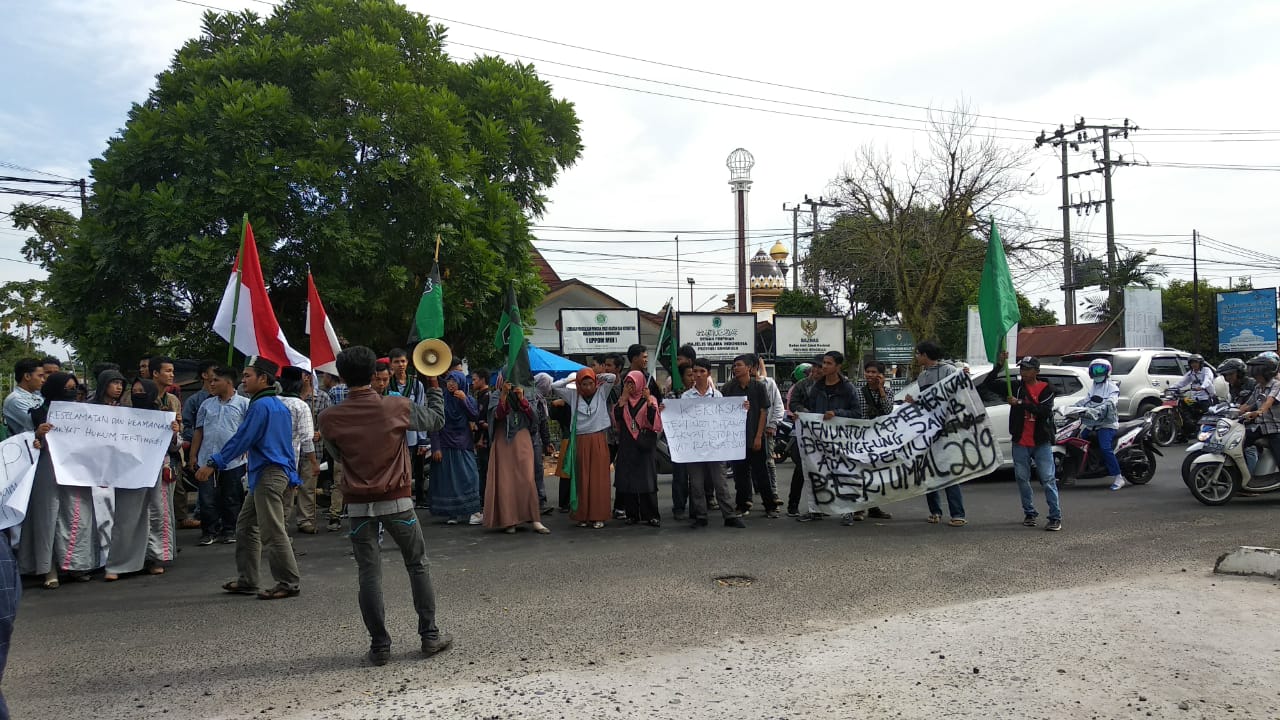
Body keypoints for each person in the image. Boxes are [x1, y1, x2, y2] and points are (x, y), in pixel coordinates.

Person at [317, 345, 452, 665]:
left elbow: (338, 456)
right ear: (376, 374)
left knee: (368, 573)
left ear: (342, 376)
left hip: (359, 507)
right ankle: (429, 636)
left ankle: (380, 646)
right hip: (398, 501)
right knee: (417, 564)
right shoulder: (396, 406)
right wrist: (432, 385)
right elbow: (435, 421)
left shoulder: (328, 417)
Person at [196, 357, 302, 601]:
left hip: (269, 474)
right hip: (270, 473)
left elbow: (242, 438)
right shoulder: (276, 405)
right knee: (245, 526)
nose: (242, 380)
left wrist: (213, 463)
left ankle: (288, 582)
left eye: (247, 376)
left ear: (263, 379)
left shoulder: (261, 406)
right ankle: (248, 580)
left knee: (271, 530)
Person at [18, 373, 101, 588]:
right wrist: (37, 436)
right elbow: (25, 443)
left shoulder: (85, 414)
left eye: (75, 388)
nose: (72, 393)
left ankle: (77, 565)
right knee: (49, 518)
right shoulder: (37, 413)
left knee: (79, 516)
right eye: (67, 388)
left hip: (77, 471)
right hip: (48, 471)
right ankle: (49, 569)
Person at [104, 379, 181, 581]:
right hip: (129, 471)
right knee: (126, 516)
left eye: (142, 391)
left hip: (155, 470)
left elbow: (174, 447)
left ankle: (155, 559)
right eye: (134, 390)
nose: (137, 394)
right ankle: (119, 563)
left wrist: (173, 433)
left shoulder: (162, 416)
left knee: (157, 513)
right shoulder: (122, 417)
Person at [991, 353, 1061, 531]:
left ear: (1036, 371)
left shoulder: (1046, 388)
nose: (1023, 372)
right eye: (1022, 368)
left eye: (1027, 369)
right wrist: (999, 365)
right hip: (1020, 441)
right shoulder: (1014, 386)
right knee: (1022, 478)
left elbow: (1043, 411)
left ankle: (1055, 516)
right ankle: (1030, 513)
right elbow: (988, 385)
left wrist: (1020, 403)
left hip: (1041, 442)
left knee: (1047, 479)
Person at [906, 341, 966, 526]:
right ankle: (935, 511)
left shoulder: (949, 370)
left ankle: (957, 514)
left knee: (948, 471)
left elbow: (957, 395)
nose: (916, 357)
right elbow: (927, 403)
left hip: (947, 429)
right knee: (928, 470)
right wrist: (914, 403)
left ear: (925, 355)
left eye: (918, 354)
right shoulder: (923, 376)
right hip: (928, 430)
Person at [188, 365, 249, 546]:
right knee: (207, 498)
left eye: (216, 380)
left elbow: (247, 432)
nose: (211, 383)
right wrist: (193, 456)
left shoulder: (244, 404)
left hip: (234, 461)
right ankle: (209, 531)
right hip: (206, 458)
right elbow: (199, 431)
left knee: (231, 497)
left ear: (228, 382)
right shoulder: (206, 405)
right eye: (211, 380)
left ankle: (229, 529)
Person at [552, 367, 617, 529]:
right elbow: (555, 387)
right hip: (580, 440)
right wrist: (571, 380)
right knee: (581, 478)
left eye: (590, 383)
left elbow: (612, 377)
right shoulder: (573, 395)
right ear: (579, 385)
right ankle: (582, 515)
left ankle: (598, 516)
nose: (588, 387)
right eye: (584, 384)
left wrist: (596, 375)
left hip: (598, 439)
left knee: (598, 479)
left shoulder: (602, 391)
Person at [682, 359, 743, 528]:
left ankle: (729, 516)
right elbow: (680, 419)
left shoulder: (718, 396)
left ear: (708, 373)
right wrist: (667, 411)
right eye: (695, 371)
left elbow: (725, 418)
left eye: (702, 371)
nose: (698, 375)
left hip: (715, 446)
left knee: (720, 482)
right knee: (696, 483)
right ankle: (700, 516)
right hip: (695, 447)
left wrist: (741, 408)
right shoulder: (686, 397)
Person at [483, 381, 550, 534]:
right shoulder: (495, 394)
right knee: (506, 481)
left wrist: (522, 399)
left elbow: (535, 418)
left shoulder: (528, 392)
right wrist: (504, 395)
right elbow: (496, 415)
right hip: (503, 440)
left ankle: (535, 519)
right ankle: (509, 520)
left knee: (527, 479)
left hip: (523, 439)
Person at [720, 353, 780, 518]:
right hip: (736, 439)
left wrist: (758, 436)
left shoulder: (759, 387)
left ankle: (770, 505)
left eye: (739, 365)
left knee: (761, 473)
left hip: (755, 435)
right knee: (740, 474)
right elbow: (722, 411)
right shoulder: (728, 388)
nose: (735, 368)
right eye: (734, 365)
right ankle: (743, 504)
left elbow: (763, 412)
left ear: (749, 368)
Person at [428, 370, 483, 525]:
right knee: (449, 480)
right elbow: (434, 424)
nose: (451, 384)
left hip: (463, 444)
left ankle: (474, 511)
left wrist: (464, 400)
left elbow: (474, 416)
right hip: (445, 444)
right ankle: (453, 513)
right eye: (448, 381)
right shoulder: (442, 400)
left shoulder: (468, 398)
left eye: (454, 381)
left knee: (469, 477)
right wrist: (436, 447)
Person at [147, 356, 195, 530]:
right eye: (168, 371)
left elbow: (179, 431)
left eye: (172, 371)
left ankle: (167, 541)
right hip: (147, 456)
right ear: (154, 373)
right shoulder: (138, 397)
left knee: (170, 499)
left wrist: (176, 427)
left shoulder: (173, 400)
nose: (171, 375)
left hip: (171, 455)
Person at [612, 370, 663, 526]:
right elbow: (617, 419)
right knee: (629, 480)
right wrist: (623, 399)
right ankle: (632, 513)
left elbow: (654, 421)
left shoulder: (650, 399)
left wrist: (648, 401)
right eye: (627, 383)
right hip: (627, 444)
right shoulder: (624, 401)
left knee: (646, 480)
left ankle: (651, 515)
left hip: (644, 444)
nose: (630, 386)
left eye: (633, 383)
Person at [387, 348, 430, 510]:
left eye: (403, 361)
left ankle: (415, 498)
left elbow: (420, 412)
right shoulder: (386, 383)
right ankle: (396, 497)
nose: (400, 365)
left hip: (412, 434)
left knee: (414, 469)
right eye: (397, 362)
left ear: (408, 363)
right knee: (394, 468)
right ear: (391, 364)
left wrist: (422, 440)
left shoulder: (416, 385)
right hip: (392, 435)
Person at [278, 367, 320, 531]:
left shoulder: (271, 402)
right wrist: (314, 462)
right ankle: (280, 537)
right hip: (289, 461)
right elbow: (307, 439)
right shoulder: (300, 406)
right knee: (286, 500)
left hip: (269, 459)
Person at [1074, 358, 1124, 491]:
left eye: (1100, 370)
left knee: (1105, 448)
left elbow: (1112, 401)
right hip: (1092, 423)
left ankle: (1118, 477)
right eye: (1095, 370)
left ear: (1107, 371)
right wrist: (1072, 407)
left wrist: (1102, 407)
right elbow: (1086, 400)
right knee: (1078, 441)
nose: (1097, 373)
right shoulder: (1094, 387)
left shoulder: (1112, 387)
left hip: (1107, 424)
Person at [293, 370, 331, 533]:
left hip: (313, 450)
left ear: (308, 377)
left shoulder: (322, 398)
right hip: (291, 449)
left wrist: (321, 433)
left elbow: (330, 421)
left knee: (308, 486)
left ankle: (305, 520)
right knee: (287, 487)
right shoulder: (289, 398)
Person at [786, 361, 821, 518]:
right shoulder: (801, 386)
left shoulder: (837, 385)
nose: (816, 372)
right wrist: (807, 414)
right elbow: (793, 404)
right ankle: (793, 505)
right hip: (802, 434)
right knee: (801, 468)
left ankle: (822, 506)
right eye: (814, 369)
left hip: (825, 434)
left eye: (820, 368)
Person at [1237, 354, 1280, 475]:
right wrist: (1234, 411)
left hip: (1276, 429)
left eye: (1257, 373)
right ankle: (1245, 476)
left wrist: (1259, 411)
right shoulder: (1258, 387)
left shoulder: (1276, 385)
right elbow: (1248, 404)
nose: (1255, 376)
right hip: (1261, 428)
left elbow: (1269, 401)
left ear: (1266, 373)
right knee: (1238, 443)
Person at [752, 356, 785, 507]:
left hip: (766, 431)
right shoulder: (737, 386)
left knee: (769, 462)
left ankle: (774, 493)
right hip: (747, 432)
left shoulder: (769, 384)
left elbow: (778, 406)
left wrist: (772, 425)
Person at [321, 371, 349, 531]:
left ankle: (335, 516)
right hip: (360, 443)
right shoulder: (367, 391)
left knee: (338, 482)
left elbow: (328, 417)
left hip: (340, 442)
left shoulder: (334, 392)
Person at [530, 373, 555, 514]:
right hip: (533, 439)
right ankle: (538, 501)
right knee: (535, 470)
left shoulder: (540, 400)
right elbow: (542, 423)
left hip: (536, 439)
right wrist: (546, 441)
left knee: (537, 470)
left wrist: (546, 442)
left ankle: (539, 501)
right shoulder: (535, 400)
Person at [1170, 353, 1215, 426]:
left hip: (1205, 398)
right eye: (1192, 363)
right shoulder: (1191, 373)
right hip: (1194, 399)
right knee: (1184, 404)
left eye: (1196, 362)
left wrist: (1202, 387)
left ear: (1200, 363)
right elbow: (1181, 382)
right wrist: (1170, 388)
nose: (1194, 364)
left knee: (1207, 417)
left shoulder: (1206, 370)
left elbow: (1208, 380)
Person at [4, 359, 45, 437]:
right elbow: (36, 423)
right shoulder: (16, 399)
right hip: (24, 446)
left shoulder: (36, 395)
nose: (43, 380)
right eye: (40, 376)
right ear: (27, 376)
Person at [470, 368, 492, 505]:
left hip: (484, 440)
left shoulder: (488, 396)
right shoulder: (480, 395)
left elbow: (488, 420)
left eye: (474, 379)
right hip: (479, 439)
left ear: (482, 380)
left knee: (485, 471)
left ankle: (486, 500)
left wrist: (482, 426)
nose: (472, 383)